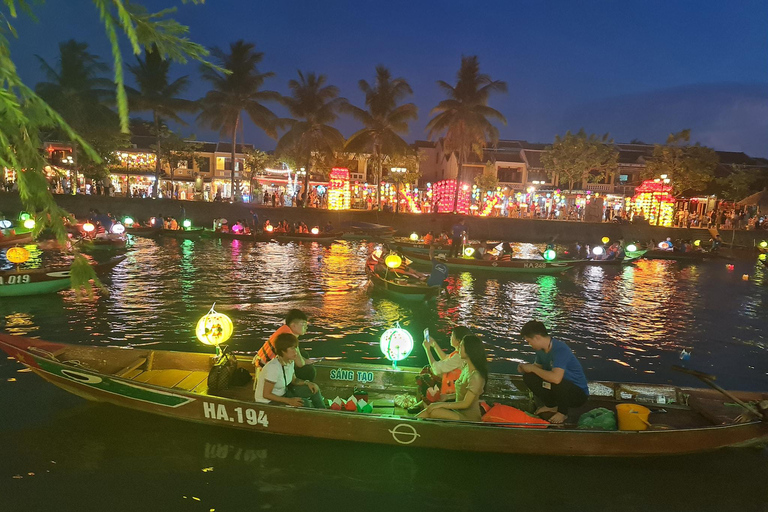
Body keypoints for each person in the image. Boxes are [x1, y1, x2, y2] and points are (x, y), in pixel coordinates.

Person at [518, 320, 588, 424]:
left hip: (576, 394)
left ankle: (562, 412)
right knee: (529, 377)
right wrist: (525, 368)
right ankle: (551, 405)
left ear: (537, 337)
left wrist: (533, 368)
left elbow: (556, 378)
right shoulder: (540, 351)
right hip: (559, 390)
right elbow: (536, 369)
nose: (529, 344)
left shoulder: (560, 350)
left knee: (557, 380)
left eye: (529, 341)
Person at [417, 335, 487, 421]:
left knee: (434, 411)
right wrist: (447, 397)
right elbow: (463, 394)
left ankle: (408, 426)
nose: (458, 348)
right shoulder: (465, 368)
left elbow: (466, 403)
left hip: (468, 418)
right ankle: (408, 424)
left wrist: (440, 405)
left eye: (461, 346)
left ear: (469, 350)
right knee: (429, 409)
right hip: (457, 411)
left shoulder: (476, 376)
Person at [410, 326, 473, 413]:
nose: (450, 338)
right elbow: (445, 358)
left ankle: (427, 403)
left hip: (452, 394)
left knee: (425, 377)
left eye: (452, 336)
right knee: (428, 369)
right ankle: (425, 402)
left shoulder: (458, 357)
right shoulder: (458, 354)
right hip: (450, 388)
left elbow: (436, 369)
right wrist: (434, 344)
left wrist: (427, 350)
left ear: (458, 341)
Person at [254, 333, 325, 408]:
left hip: (283, 394)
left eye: (296, 348)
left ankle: (325, 413)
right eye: (292, 348)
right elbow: (266, 394)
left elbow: (294, 380)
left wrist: (307, 383)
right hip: (268, 402)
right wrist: (289, 401)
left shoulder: (290, 361)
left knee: (314, 389)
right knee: (305, 404)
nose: (296, 352)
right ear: (283, 351)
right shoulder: (273, 368)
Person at [253, 309, 316, 381]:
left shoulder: (284, 330)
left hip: (263, 364)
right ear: (293, 325)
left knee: (304, 355)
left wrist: (305, 360)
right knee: (309, 371)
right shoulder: (289, 338)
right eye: (303, 324)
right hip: (269, 372)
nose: (306, 327)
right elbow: (300, 364)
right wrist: (305, 362)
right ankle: (295, 389)